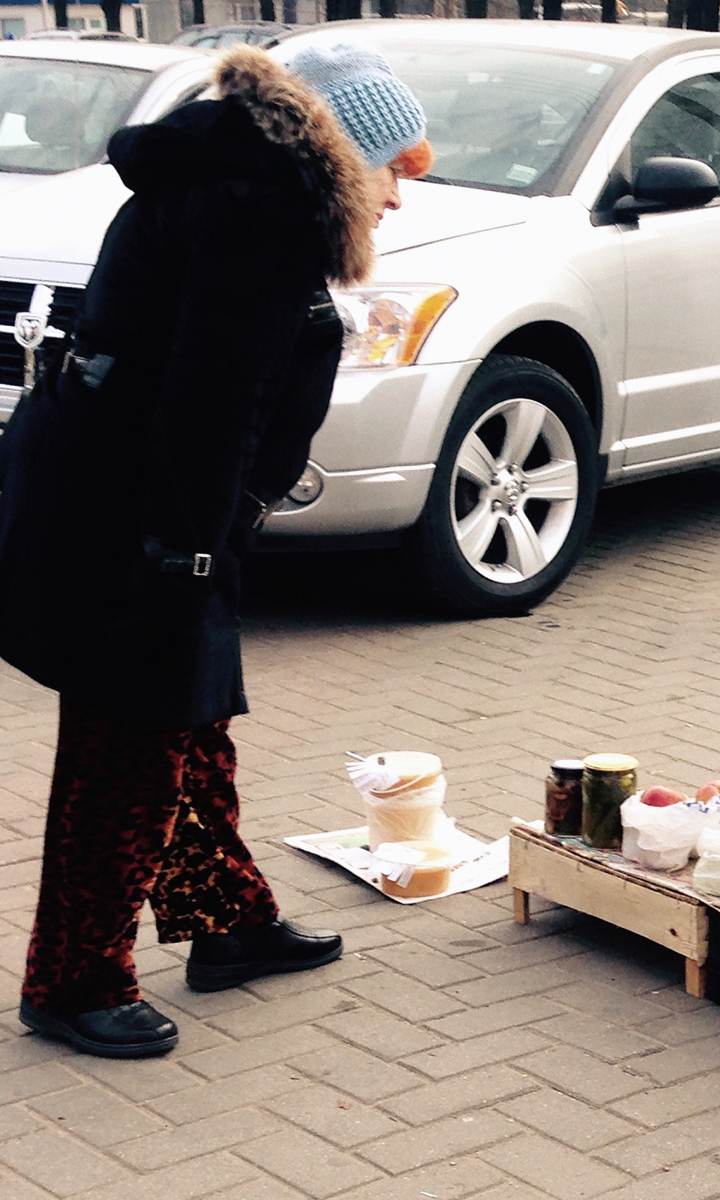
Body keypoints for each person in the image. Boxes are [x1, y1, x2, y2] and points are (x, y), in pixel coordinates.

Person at [0, 43, 431, 1058]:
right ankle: (72, 980)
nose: (400, 201)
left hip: (134, 500)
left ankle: (226, 919)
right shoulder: (257, 216)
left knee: (192, 713)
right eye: (393, 171)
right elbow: (208, 406)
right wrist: (185, 555)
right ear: (339, 149)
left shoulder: (228, 185)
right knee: (130, 743)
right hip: (132, 518)